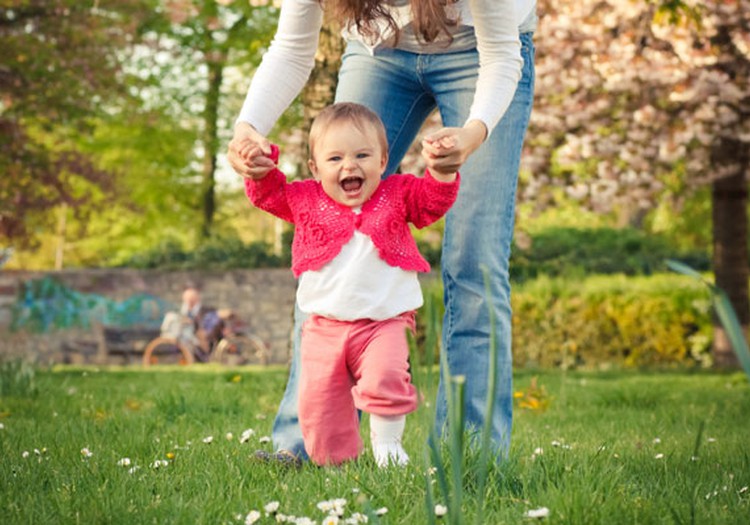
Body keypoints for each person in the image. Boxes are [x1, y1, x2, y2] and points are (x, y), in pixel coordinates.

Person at [228, 0, 537, 462]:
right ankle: (303, 446)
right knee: (326, 240)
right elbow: (292, 49)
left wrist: (472, 136)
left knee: (475, 262)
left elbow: (500, 56)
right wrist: (247, 128)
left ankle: (472, 455)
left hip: (482, 53)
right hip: (378, 50)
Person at [238, 102, 460, 466]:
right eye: (335, 158)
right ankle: (337, 467)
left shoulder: (397, 194)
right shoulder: (306, 199)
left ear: (383, 161)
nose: (349, 166)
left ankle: (388, 446)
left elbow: (431, 202)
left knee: (387, 377)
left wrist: (442, 173)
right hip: (324, 327)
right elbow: (269, 194)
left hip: (385, 322)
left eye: (362, 155)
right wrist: (259, 166)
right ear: (315, 168)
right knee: (319, 403)